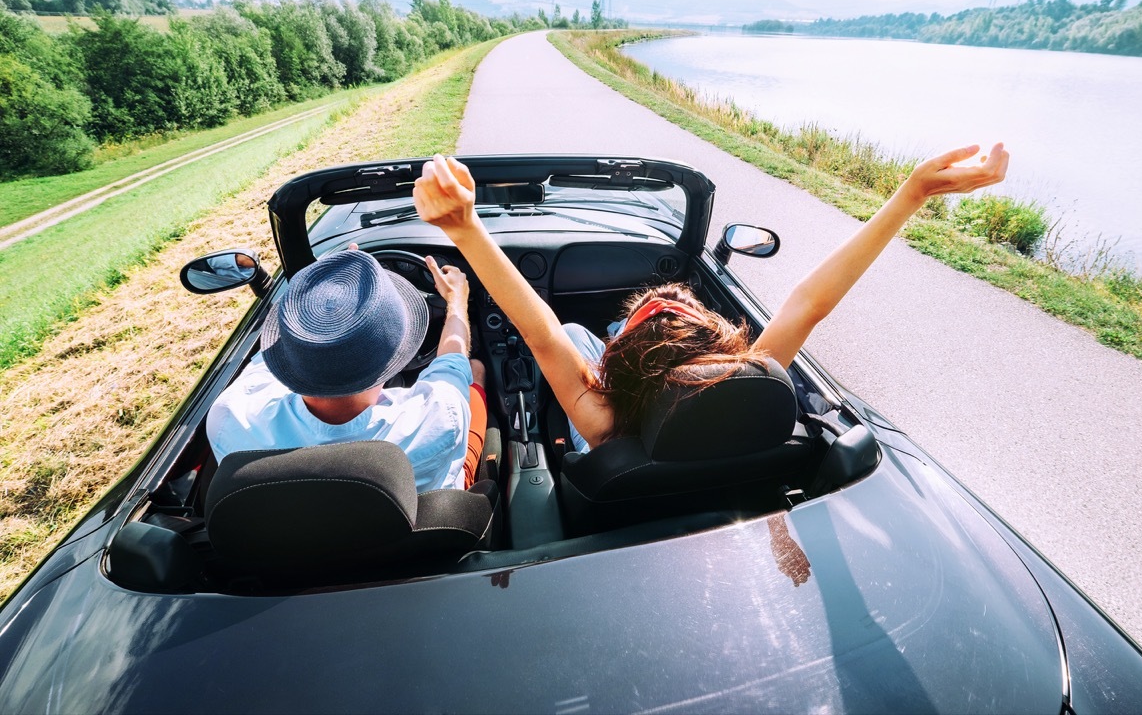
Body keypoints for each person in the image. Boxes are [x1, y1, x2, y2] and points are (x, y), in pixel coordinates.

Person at [414, 145, 1009, 452]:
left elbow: (542, 330)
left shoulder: (603, 424)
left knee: (571, 336)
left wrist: (466, 228)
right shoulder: (753, 384)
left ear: (618, 368)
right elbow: (809, 303)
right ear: (721, 349)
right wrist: (912, 193)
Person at [206, 248, 489, 493]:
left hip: (305, 543)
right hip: (421, 531)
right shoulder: (441, 414)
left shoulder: (229, 417)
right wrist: (456, 300)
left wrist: (319, 300)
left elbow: (270, 356)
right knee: (474, 370)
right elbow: (453, 358)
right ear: (398, 349)